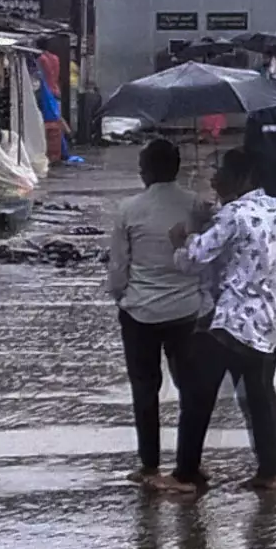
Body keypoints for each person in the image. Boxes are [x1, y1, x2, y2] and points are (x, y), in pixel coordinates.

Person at [104, 135, 223, 494]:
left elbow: (118, 268)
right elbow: (208, 259)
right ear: (177, 168)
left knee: (145, 388)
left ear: (147, 172)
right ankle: (190, 462)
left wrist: (121, 297)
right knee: (191, 390)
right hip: (187, 312)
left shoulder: (128, 209)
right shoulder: (197, 206)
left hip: (140, 312)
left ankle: (149, 464)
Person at [182, 143, 276, 491]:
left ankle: (186, 472)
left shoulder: (233, 214)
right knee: (261, 397)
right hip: (265, 318)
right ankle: (270, 471)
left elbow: (199, 253)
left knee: (199, 395)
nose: (216, 178)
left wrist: (186, 234)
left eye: (222, 172)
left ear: (242, 177)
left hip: (230, 319)